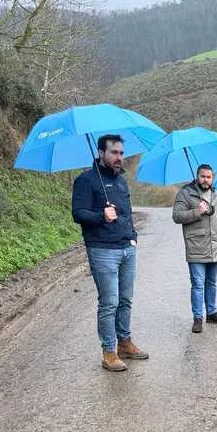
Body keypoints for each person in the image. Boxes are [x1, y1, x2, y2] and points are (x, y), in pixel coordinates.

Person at [71, 133, 149, 372]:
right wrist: (101, 215)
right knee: (109, 303)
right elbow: (78, 213)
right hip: (102, 249)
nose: (119, 157)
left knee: (125, 299)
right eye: (114, 152)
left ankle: (125, 342)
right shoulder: (85, 180)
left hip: (126, 247)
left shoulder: (121, 181)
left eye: (121, 153)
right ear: (101, 153)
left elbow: (127, 212)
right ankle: (109, 351)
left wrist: (133, 237)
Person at [172, 163, 217, 333]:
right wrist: (196, 212)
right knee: (198, 284)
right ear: (197, 176)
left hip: (215, 245)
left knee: (212, 282)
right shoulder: (186, 193)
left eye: (208, 177)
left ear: (212, 178)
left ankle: (212, 312)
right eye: (202, 176)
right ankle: (198, 317)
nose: (205, 180)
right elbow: (176, 216)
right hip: (196, 246)